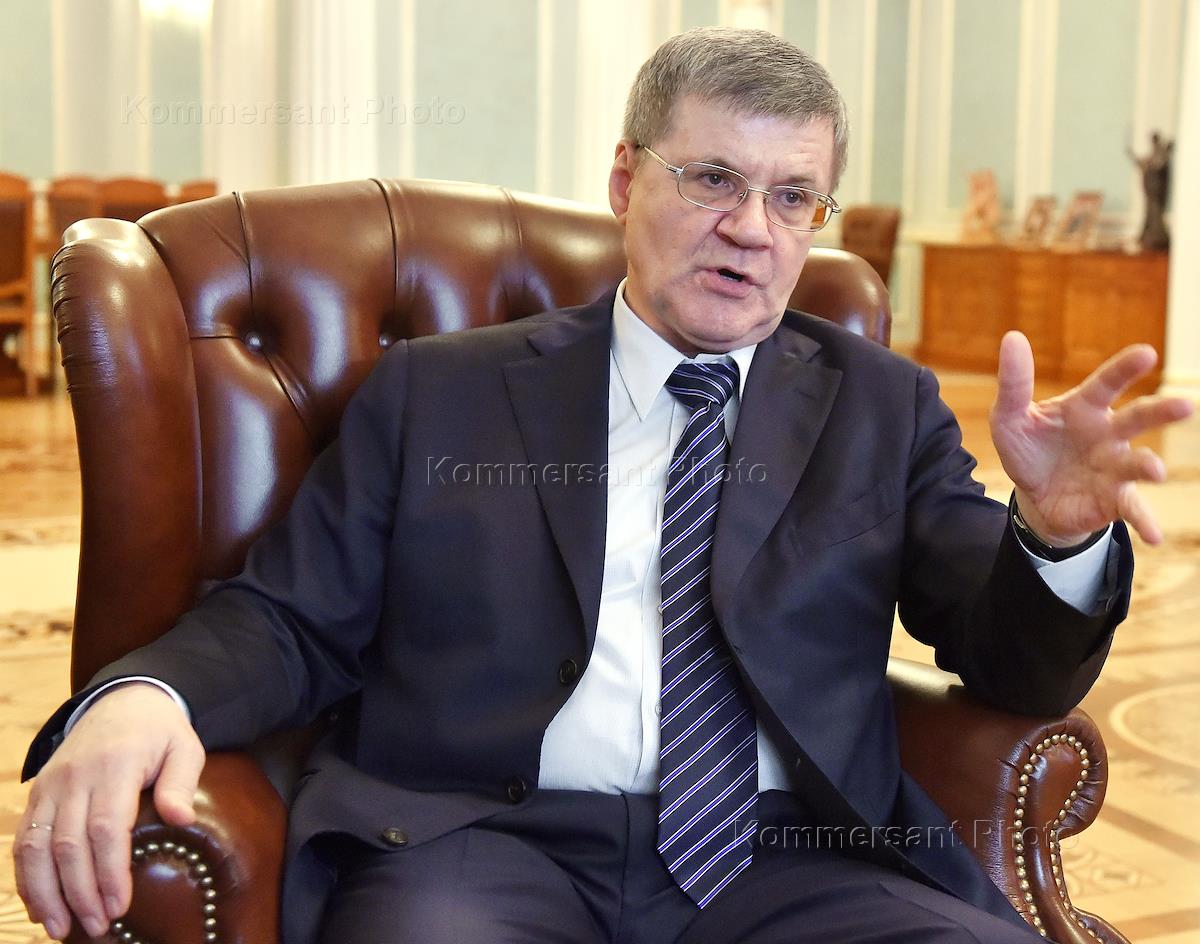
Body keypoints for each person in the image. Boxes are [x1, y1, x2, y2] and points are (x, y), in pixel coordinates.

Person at [14, 27, 1194, 944]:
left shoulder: (877, 404)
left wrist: (1054, 537)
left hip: (792, 856)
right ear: (626, 179)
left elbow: (1010, 664)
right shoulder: (442, 393)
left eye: (793, 196)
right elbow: (289, 615)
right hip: (482, 839)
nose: (752, 229)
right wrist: (147, 695)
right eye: (713, 178)